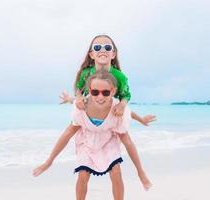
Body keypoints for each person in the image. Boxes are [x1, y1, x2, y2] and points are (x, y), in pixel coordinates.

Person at [34, 35, 153, 190]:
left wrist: (123, 105)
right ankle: (49, 162)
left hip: (112, 115)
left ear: (113, 54)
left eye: (107, 48)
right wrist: (76, 98)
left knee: (123, 143)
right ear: (91, 54)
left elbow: (125, 96)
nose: (102, 50)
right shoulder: (86, 74)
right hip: (90, 116)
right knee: (82, 171)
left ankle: (141, 173)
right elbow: (80, 90)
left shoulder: (120, 76)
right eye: (97, 47)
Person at [33, 70, 145, 200]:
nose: (100, 97)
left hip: (108, 141)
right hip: (87, 142)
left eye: (106, 92)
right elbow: (67, 133)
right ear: (89, 90)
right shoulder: (81, 107)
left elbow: (128, 141)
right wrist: (49, 162)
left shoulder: (117, 108)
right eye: (95, 92)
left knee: (116, 171)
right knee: (83, 174)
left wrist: (140, 171)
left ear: (113, 91)